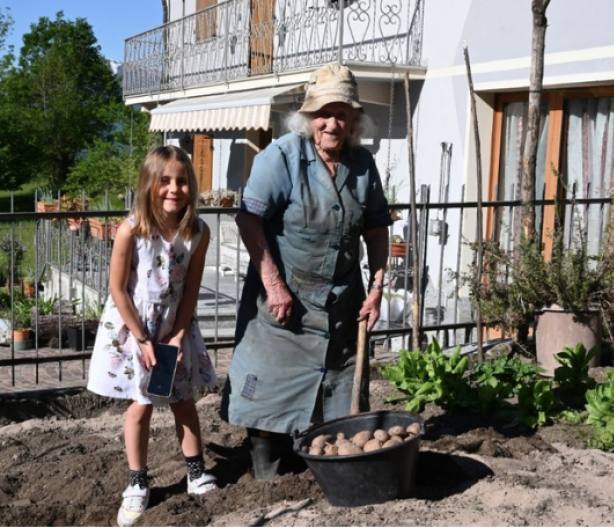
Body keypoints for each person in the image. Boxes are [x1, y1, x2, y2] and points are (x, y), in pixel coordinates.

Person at [219, 62, 393, 480]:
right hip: (285, 303)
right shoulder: (281, 157)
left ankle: (327, 469)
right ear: (308, 116)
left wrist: (377, 287)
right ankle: (268, 473)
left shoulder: (362, 164)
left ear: (354, 119)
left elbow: (376, 228)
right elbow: (249, 220)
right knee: (269, 389)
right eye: (323, 113)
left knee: (337, 389)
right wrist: (274, 286)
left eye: (341, 113)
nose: (332, 123)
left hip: (341, 306)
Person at [87, 145, 218, 526]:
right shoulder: (131, 231)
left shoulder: (198, 233)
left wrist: (177, 335)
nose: (174, 188)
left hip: (174, 326)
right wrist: (143, 339)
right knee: (140, 404)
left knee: (182, 399)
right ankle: (137, 484)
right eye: (165, 181)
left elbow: (191, 289)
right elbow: (117, 289)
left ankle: (195, 474)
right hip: (135, 328)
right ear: (149, 184)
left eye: (181, 181)